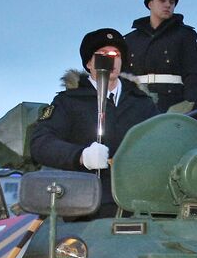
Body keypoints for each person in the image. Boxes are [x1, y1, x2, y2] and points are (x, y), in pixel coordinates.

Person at [31, 28, 162, 218]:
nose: (111, 58)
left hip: (138, 202)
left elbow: (162, 142)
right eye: (102, 54)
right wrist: (80, 156)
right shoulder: (69, 101)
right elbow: (41, 143)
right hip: (87, 204)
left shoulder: (142, 103)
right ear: (89, 63)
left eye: (116, 54)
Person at [123, 0, 197, 112]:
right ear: (150, 3)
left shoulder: (185, 35)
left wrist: (188, 106)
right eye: (162, 0)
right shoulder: (130, 40)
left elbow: (195, 76)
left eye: (171, 2)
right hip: (135, 108)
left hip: (173, 107)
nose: (168, 5)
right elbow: (122, 78)